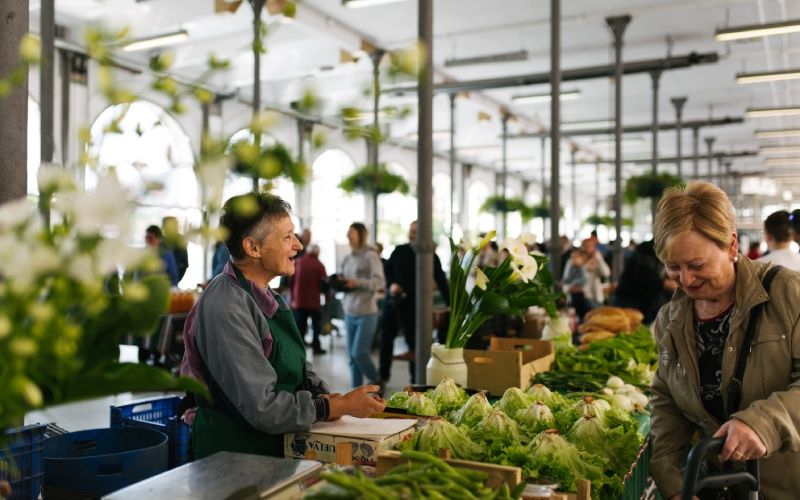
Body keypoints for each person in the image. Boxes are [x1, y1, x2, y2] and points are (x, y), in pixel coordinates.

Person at [180, 193, 384, 459]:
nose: (298, 246)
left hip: (271, 448)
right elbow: (262, 407)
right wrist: (333, 407)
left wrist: (321, 394)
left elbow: (298, 367)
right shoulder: (226, 305)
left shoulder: (268, 297)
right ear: (253, 248)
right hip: (234, 455)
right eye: (287, 237)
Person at [649, 181, 800, 499]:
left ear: (732, 246)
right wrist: (674, 484)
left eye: (697, 265)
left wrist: (763, 423)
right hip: (716, 488)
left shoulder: (788, 294)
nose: (686, 280)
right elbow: (666, 407)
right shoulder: (670, 320)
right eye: (673, 267)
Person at [379, 221, 450, 384]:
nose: (412, 234)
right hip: (394, 302)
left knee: (414, 346)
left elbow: (441, 281)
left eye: (415, 231)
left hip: (414, 308)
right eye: (410, 231)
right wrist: (392, 285)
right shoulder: (399, 251)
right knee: (386, 338)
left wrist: (450, 305)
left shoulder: (431, 256)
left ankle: (415, 381)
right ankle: (383, 376)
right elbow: (388, 271)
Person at [340, 223, 386, 390]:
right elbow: (345, 280)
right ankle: (356, 391)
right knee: (352, 358)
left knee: (359, 354)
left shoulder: (370, 255)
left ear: (361, 234)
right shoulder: (349, 257)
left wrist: (356, 283)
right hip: (349, 311)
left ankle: (377, 381)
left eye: (351, 232)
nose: (348, 235)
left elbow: (379, 282)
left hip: (367, 313)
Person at [612, 240, 676, 324]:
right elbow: (643, 275)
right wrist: (665, 284)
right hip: (630, 301)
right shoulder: (648, 248)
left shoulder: (665, 250)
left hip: (644, 304)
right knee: (626, 331)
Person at [291, 243, 328, 355]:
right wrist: (326, 299)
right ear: (317, 253)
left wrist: (293, 296)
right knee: (316, 326)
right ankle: (316, 347)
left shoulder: (298, 262)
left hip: (299, 301)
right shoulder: (319, 265)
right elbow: (324, 285)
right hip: (313, 302)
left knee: (300, 327)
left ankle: (298, 350)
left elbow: (291, 281)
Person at [561, 249, 591, 321]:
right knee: (575, 308)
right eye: (572, 258)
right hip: (573, 293)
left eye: (576, 257)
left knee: (581, 309)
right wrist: (563, 282)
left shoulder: (582, 268)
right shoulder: (572, 267)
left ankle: (581, 320)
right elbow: (568, 278)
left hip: (580, 293)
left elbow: (583, 279)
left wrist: (573, 284)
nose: (573, 260)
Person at [162, 216, 189, 282]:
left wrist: (176, 279)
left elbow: (184, 264)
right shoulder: (161, 240)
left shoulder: (180, 241)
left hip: (173, 279)